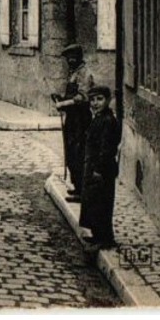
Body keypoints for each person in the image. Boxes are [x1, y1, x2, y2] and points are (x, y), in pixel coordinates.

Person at [79, 86, 120, 251]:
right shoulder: (98, 118)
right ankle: (97, 234)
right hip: (93, 166)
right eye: (93, 100)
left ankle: (105, 238)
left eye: (100, 99)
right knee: (92, 201)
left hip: (102, 169)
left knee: (102, 202)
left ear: (108, 100)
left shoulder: (108, 121)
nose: (95, 103)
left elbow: (107, 148)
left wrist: (98, 169)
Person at [52, 43, 94, 201]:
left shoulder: (84, 74)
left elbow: (82, 97)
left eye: (72, 57)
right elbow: (71, 95)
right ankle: (77, 186)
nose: (69, 61)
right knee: (71, 153)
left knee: (79, 153)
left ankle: (82, 191)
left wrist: (63, 104)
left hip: (81, 120)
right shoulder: (74, 72)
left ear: (79, 57)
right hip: (72, 119)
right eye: (67, 58)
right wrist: (60, 98)